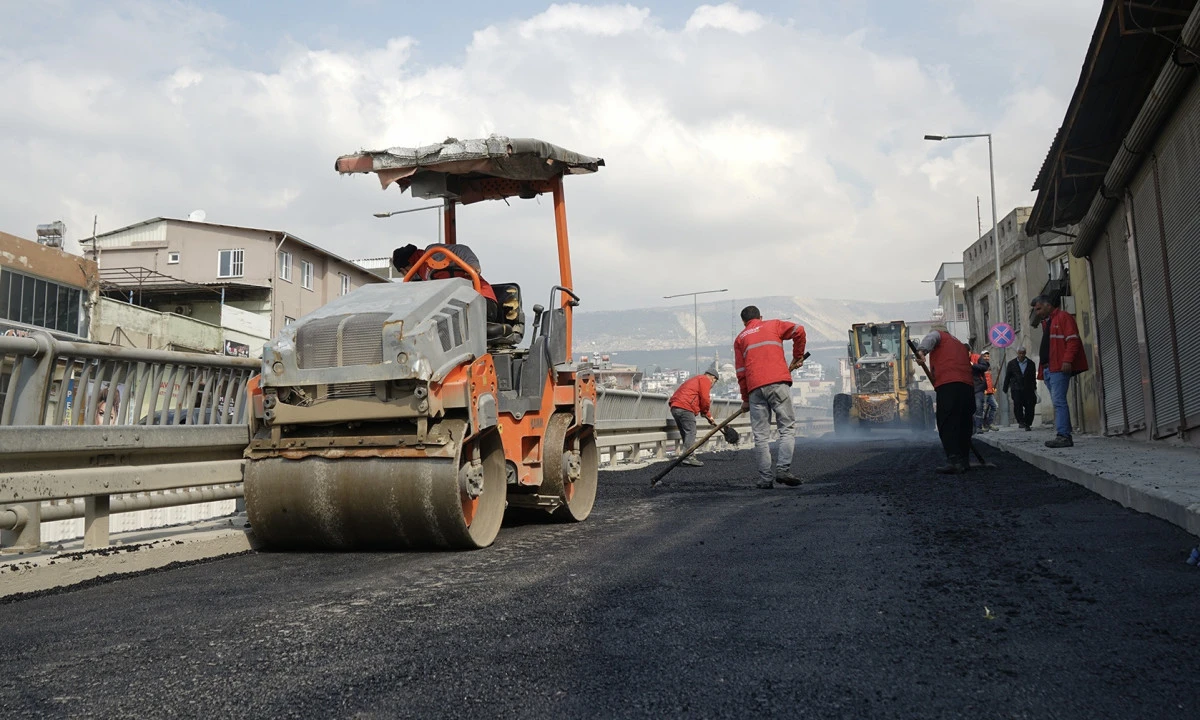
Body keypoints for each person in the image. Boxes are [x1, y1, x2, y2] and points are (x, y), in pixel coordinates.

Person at [734, 306, 806, 489]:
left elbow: (741, 372)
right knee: (787, 428)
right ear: (761, 317)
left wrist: (745, 399)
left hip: (754, 389)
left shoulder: (740, 338)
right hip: (778, 383)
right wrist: (797, 357)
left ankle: (765, 479)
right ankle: (783, 469)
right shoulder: (773, 325)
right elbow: (799, 330)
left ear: (744, 322)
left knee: (760, 436)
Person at [915, 324, 975, 474]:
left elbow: (931, 337)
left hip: (948, 384)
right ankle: (964, 460)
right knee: (964, 423)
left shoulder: (938, 335)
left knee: (947, 422)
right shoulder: (959, 344)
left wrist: (921, 351)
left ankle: (954, 460)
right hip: (967, 386)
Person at [1031, 295, 1088, 448]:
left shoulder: (1063, 318)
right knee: (1058, 402)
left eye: (1039, 309)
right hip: (1050, 368)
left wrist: (1067, 360)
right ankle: (1063, 434)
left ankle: (1063, 435)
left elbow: (1073, 341)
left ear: (1048, 305)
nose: (1037, 313)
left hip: (1057, 367)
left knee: (1059, 401)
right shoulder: (1048, 322)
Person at [392, 242, 498, 305]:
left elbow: (462, 249)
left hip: (482, 301)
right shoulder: (424, 277)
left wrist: (472, 265)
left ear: (404, 270)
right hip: (462, 305)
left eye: (404, 273)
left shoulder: (431, 254)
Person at [668, 364, 719, 467]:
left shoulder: (696, 379)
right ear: (713, 378)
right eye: (715, 381)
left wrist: (708, 416)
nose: (713, 384)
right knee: (691, 431)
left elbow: (699, 400)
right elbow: (705, 399)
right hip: (685, 407)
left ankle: (687, 455)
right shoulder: (705, 380)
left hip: (675, 407)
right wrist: (705, 411)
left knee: (685, 433)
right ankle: (688, 457)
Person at [1002, 346, 1038, 431]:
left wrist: (1035, 388)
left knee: (1030, 405)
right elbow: (1008, 376)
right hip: (1016, 388)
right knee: (1018, 405)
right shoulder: (1012, 363)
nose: (1021, 355)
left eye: (1023, 353)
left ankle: (1027, 423)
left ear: (1025, 353)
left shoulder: (1031, 363)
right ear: (1017, 353)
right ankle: (1021, 421)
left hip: (1028, 388)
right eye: (1020, 353)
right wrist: (1005, 387)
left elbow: (1033, 377)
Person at [970, 349, 990, 434]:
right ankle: (972, 427)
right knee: (970, 409)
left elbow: (984, 367)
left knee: (979, 407)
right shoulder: (960, 359)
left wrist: (973, 365)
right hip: (967, 388)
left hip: (978, 387)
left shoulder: (977, 357)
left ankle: (978, 426)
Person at [981, 350, 998, 431]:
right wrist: (982, 388)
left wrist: (992, 388)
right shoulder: (980, 366)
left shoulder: (989, 366)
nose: (987, 358)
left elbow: (989, 379)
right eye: (985, 356)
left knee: (994, 406)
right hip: (983, 392)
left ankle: (990, 423)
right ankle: (981, 426)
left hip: (990, 392)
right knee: (983, 409)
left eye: (988, 356)